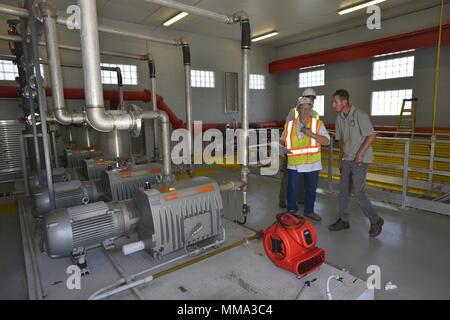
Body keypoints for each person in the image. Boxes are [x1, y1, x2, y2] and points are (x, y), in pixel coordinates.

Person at [328, 89, 384, 237]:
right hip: (346, 159)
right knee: (344, 192)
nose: (333, 105)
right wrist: (340, 158)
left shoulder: (360, 115)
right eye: (333, 102)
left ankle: (376, 220)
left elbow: (371, 136)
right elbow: (341, 141)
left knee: (359, 193)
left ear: (344, 102)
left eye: (335, 102)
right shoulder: (339, 118)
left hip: (360, 160)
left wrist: (360, 153)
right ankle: (344, 220)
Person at [281, 97, 330, 221]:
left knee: (311, 190)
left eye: (309, 108)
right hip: (294, 164)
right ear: (298, 110)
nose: (306, 111)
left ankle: (309, 211)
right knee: (292, 189)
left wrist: (312, 134)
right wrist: (280, 146)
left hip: (313, 164)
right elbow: (282, 140)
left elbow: (326, 141)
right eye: (303, 109)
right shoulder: (289, 125)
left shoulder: (318, 124)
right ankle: (291, 211)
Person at [279, 88, 320, 208]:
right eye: (308, 97)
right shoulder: (293, 112)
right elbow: (287, 130)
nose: (310, 100)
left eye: (312, 98)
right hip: (293, 150)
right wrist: (284, 148)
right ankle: (283, 198)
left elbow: (316, 131)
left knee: (304, 175)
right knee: (288, 176)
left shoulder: (315, 114)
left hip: (307, 151)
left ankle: (301, 198)